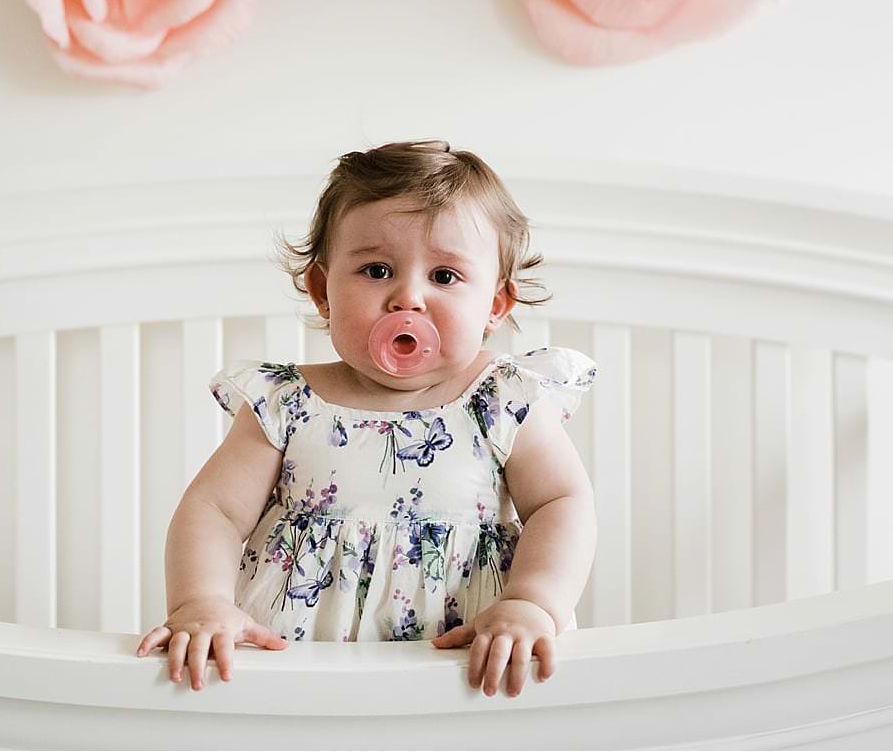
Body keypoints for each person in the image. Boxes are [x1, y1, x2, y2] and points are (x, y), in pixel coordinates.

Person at [135, 140, 598, 699]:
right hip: (295, 672)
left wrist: (532, 603)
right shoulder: (286, 402)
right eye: (377, 270)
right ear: (322, 289)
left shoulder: (505, 398)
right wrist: (201, 602)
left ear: (496, 305)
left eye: (445, 277)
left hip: (466, 670)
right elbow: (214, 510)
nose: (409, 298)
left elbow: (561, 504)